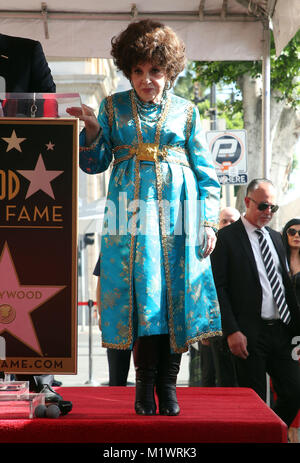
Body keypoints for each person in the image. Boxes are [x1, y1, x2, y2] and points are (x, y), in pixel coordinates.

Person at [67, 19, 222, 416]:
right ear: (128, 70)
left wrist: (206, 221)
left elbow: (206, 173)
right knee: (143, 300)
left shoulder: (188, 112)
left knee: (175, 299)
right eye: (138, 70)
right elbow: (95, 164)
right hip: (129, 220)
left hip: (179, 220)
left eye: (155, 70)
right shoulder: (112, 107)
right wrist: (90, 132)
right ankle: (144, 387)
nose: (146, 79)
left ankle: (169, 386)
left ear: (169, 72)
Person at [0, 32, 64, 405]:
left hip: (22, 185)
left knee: (23, 274)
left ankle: (39, 379)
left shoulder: (24, 52)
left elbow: (50, 104)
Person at [211, 178, 300, 427]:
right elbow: (220, 288)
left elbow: (285, 285)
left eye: (273, 208)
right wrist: (232, 330)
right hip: (249, 333)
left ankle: (272, 432)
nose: (268, 212)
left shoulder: (276, 237)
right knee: (255, 401)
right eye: (262, 206)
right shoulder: (226, 238)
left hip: (282, 331)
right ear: (247, 202)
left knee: (294, 393)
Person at [190, 206, 240, 387]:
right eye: (224, 221)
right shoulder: (206, 247)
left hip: (238, 322)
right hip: (210, 324)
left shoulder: (243, 246)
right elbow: (199, 287)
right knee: (209, 375)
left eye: (232, 221)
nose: (228, 224)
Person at [94, 256, 132, 386]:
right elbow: (101, 282)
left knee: (148, 374)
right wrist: (101, 313)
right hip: (117, 318)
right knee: (117, 376)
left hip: (146, 319)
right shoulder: (111, 245)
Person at [282, 218, 300, 442]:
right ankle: (285, 430)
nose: (297, 235)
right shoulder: (278, 260)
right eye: (292, 231)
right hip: (284, 330)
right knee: (288, 383)